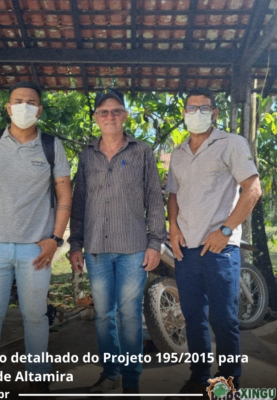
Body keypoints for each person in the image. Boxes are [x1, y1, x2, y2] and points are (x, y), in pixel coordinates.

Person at [0, 81, 72, 394]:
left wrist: (55, 239)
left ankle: (37, 375)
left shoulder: (51, 146)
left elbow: (64, 195)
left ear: (40, 110)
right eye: (18, 101)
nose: (24, 107)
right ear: (8, 107)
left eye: (31, 102)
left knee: (36, 316)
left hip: (35, 250)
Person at [68, 89, 166, 396]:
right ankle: (110, 373)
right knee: (103, 316)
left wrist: (155, 243)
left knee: (130, 315)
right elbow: (79, 201)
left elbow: (154, 198)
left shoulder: (142, 151)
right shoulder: (87, 155)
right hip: (96, 248)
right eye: (103, 112)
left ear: (125, 115)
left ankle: (131, 380)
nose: (109, 116)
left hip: (133, 248)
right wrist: (75, 244)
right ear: (96, 118)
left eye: (115, 111)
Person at [166, 88, 262, 398]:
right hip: (186, 249)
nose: (197, 114)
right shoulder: (178, 152)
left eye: (204, 108)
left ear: (215, 113)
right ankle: (199, 378)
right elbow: (173, 195)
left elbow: (253, 189)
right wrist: (173, 229)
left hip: (220, 248)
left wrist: (226, 230)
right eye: (191, 109)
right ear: (184, 113)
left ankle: (228, 384)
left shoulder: (231, 143)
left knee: (223, 320)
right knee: (193, 317)